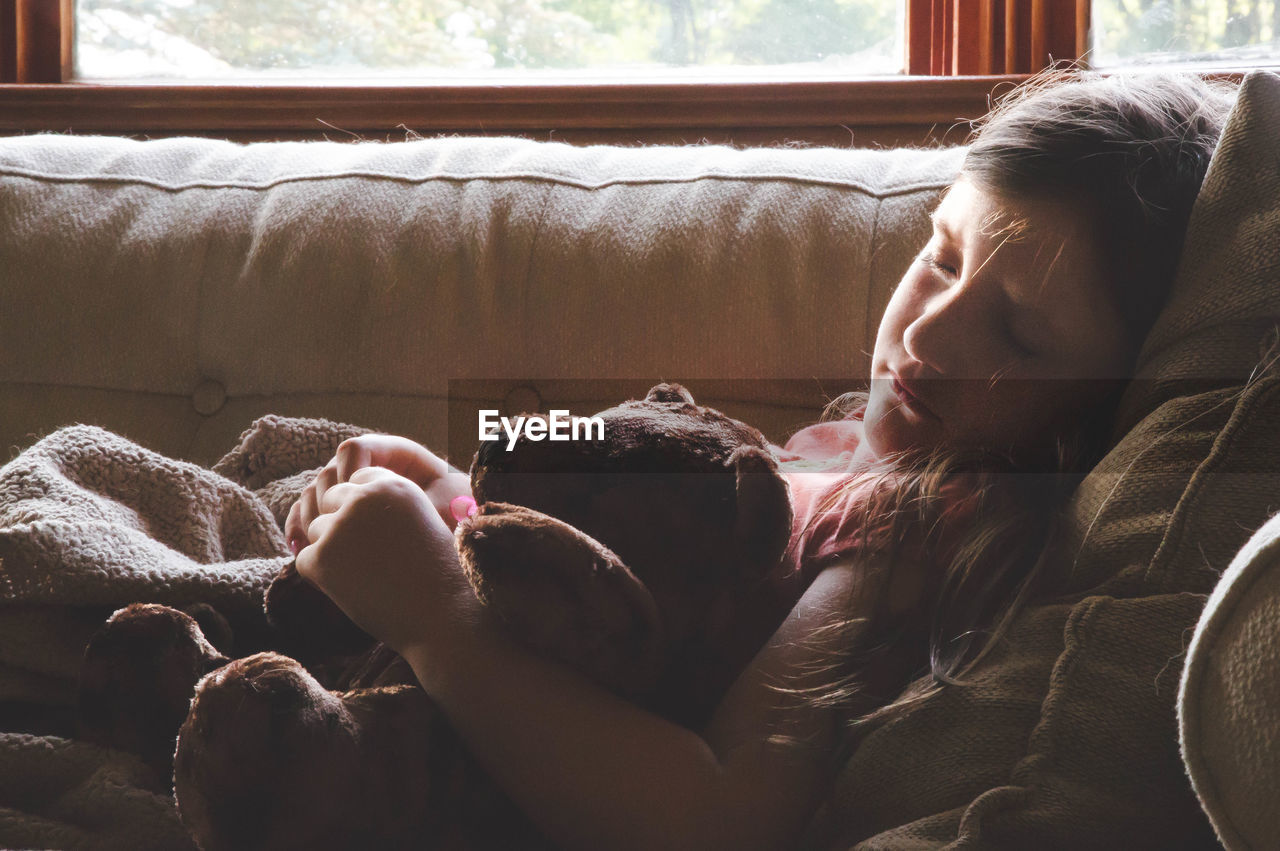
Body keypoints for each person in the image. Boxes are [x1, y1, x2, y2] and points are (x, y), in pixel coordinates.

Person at [285, 69, 1236, 850]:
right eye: (943, 256)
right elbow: (639, 493)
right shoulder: (838, 454)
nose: (930, 335)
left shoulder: (911, 534)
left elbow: (717, 814)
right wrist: (453, 489)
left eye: (1021, 337)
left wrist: (435, 618)